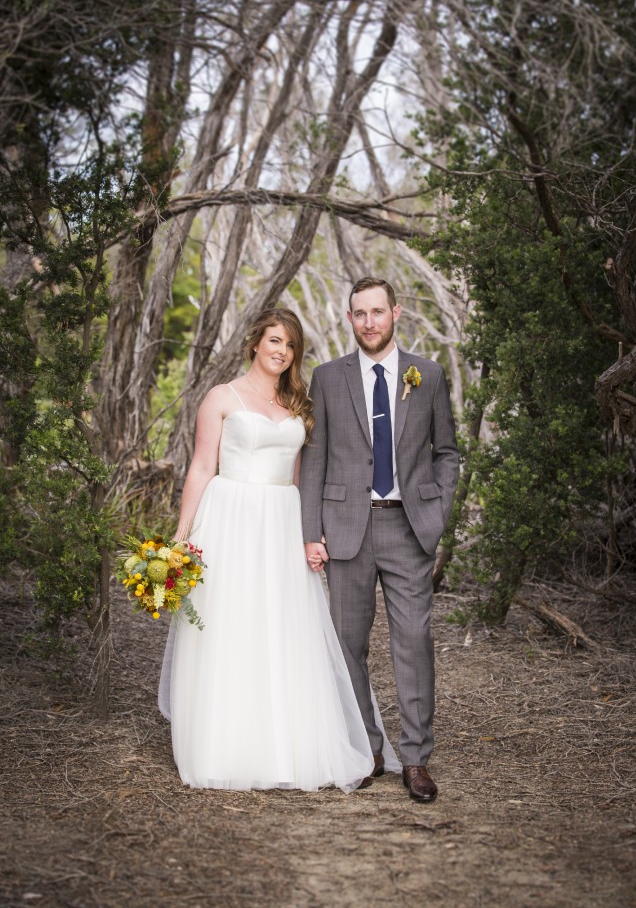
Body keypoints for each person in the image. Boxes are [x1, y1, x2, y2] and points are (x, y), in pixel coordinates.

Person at [158, 308, 375, 792]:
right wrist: (182, 536)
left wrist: (310, 534)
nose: (282, 351)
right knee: (229, 624)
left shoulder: (298, 404)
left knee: (280, 626)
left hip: (281, 518)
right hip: (229, 517)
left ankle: (283, 747)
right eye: (275, 340)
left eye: (290, 345)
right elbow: (201, 467)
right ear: (255, 342)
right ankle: (224, 745)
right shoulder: (222, 397)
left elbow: (302, 476)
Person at [300, 278, 460, 802]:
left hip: (408, 527)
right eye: (360, 314)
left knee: (413, 641)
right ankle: (366, 748)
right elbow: (314, 459)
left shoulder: (427, 375)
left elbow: (447, 452)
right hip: (345, 529)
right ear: (350, 319)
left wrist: (437, 508)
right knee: (347, 644)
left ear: (396, 313)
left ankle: (415, 758)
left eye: (378, 312)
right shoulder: (327, 378)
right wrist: (310, 532)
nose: (369, 322)